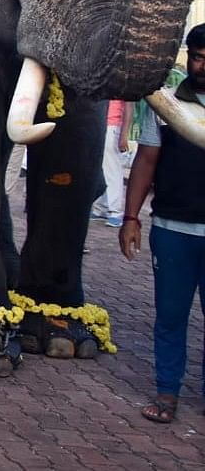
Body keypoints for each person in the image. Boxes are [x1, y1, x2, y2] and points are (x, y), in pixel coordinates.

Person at [120, 23, 205, 425]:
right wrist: (131, 217)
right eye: (198, 56)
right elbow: (146, 162)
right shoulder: (167, 104)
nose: (202, 65)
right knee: (170, 316)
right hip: (172, 229)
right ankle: (166, 391)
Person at [98, 100, 135, 228]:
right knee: (98, 169)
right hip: (98, 123)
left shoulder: (123, 81)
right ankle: (100, 208)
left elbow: (129, 106)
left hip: (112, 126)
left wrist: (124, 134)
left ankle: (115, 212)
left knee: (111, 169)